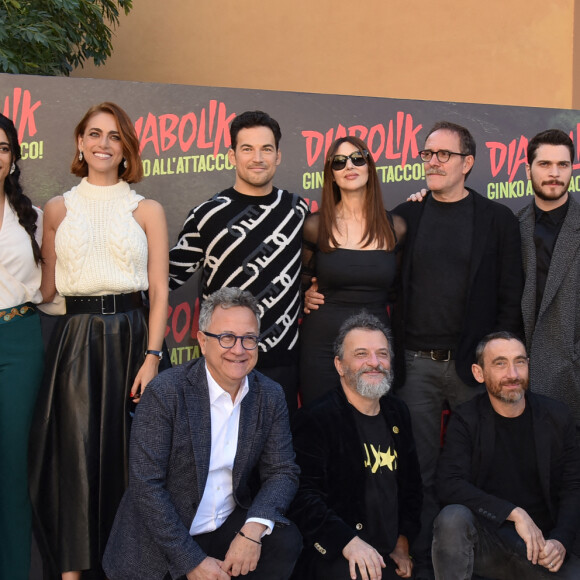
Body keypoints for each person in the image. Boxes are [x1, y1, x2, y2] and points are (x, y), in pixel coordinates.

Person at [306, 121, 524, 578]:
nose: (434, 162)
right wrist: (310, 289)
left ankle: (490, 558)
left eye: (445, 154)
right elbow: (348, 267)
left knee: (482, 464)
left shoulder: (498, 220)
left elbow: (509, 297)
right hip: (415, 366)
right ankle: (425, 562)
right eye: (427, 154)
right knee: (417, 472)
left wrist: (495, 360)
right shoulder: (407, 217)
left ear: (468, 163)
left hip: (473, 368)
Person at [29, 102, 169, 579]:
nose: (103, 143)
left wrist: (152, 356)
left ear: (126, 148)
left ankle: (127, 567)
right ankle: (72, 572)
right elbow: (44, 290)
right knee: (76, 457)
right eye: (94, 133)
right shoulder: (55, 209)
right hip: (76, 342)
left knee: (133, 462)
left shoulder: (147, 209)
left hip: (133, 340)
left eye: (113, 136)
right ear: (80, 143)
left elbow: (159, 291)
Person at [103, 287, 301, 580]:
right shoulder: (166, 392)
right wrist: (191, 561)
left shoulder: (268, 395)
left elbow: (283, 470)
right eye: (226, 338)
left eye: (249, 339)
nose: (238, 349)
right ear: (202, 341)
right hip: (162, 544)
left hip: (225, 531)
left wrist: (252, 530)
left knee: (285, 540)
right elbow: (146, 486)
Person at [169, 110, 309, 414]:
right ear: (232, 155)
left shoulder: (297, 210)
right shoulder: (206, 215)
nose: (257, 157)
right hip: (223, 363)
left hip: (283, 363)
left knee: (277, 457)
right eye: (247, 149)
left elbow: (323, 263)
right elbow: (166, 278)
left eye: (266, 149)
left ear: (278, 156)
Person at [433, 331, 580, 579]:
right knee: (452, 518)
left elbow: (573, 486)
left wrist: (560, 540)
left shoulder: (557, 416)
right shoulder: (466, 420)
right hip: (488, 546)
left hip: (542, 549)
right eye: (500, 363)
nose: (512, 374)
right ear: (479, 373)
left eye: (519, 362)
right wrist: (514, 513)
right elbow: (449, 483)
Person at [291, 311, 422, 580]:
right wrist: (347, 543)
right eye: (361, 354)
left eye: (382, 354)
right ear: (339, 365)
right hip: (340, 556)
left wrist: (402, 542)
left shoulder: (398, 412)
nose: (375, 363)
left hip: (388, 557)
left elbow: (412, 489)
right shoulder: (316, 419)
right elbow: (302, 497)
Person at [299, 137, 405, 406]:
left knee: (371, 427)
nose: (349, 165)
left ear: (369, 167)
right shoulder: (315, 225)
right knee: (321, 427)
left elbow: (398, 290)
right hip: (321, 345)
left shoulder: (397, 228)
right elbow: (299, 284)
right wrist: (305, 296)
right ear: (331, 175)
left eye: (358, 158)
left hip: (375, 351)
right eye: (339, 161)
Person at [0, 113, 44, 580]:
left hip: (18, 339)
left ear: (13, 157)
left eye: (3, 146)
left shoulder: (28, 214)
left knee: (13, 469)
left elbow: (46, 289)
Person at [518, 129, 580, 424]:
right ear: (528, 169)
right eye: (544, 164)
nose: (554, 173)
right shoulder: (511, 227)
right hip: (519, 382)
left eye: (563, 165)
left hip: (573, 379)